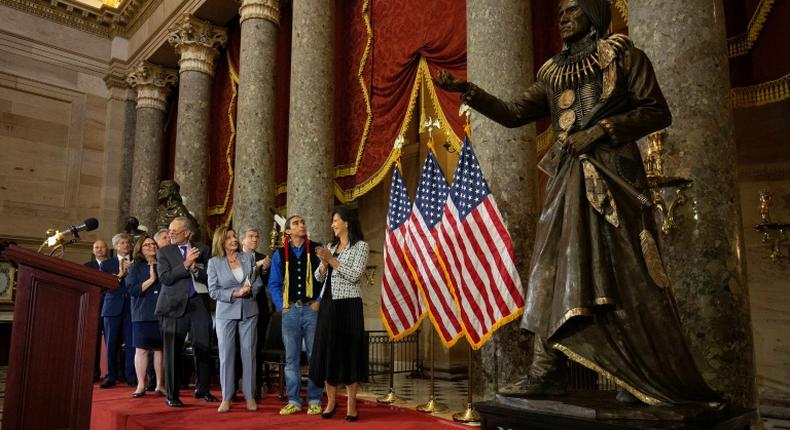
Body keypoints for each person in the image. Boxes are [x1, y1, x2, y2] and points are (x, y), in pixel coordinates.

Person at [435, 0, 720, 406]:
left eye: (572, 10)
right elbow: (515, 113)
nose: (563, 17)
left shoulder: (624, 57)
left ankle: (632, 374)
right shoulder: (553, 73)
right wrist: (467, 90)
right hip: (566, 180)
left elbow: (656, 111)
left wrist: (603, 129)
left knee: (622, 271)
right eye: (560, 12)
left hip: (615, 177)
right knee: (550, 268)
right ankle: (545, 370)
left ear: (593, 15)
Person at [310, 208, 369, 421]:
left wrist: (332, 260)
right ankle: (331, 401)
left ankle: (351, 403)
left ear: (347, 222)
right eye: (333, 221)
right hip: (328, 304)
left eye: (335, 220)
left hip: (349, 305)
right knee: (328, 352)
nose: (332, 224)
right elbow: (318, 277)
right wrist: (324, 264)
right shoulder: (330, 246)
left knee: (349, 352)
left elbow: (354, 275)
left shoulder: (361, 246)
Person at [155, 216, 218, 407]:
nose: (171, 234)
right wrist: (185, 265)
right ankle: (172, 396)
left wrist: (197, 270)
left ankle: (203, 389)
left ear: (187, 233)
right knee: (173, 351)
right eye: (170, 230)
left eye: (175, 231)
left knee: (204, 347)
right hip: (173, 306)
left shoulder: (202, 249)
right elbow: (165, 278)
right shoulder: (164, 252)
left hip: (198, 304)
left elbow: (211, 275)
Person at [267, 215, 324, 415]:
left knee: (314, 356)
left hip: (312, 309)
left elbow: (327, 279)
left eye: (303, 222)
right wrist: (281, 305)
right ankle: (294, 400)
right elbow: (273, 283)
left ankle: (315, 399)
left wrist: (318, 301)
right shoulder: (280, 254)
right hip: (290, 311)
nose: (302, 225)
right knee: (291, 359)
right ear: (288, 231)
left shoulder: (317, 249)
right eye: (297, 223)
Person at [208, 226, 263, 413]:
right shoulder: (214, 263)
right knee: (227, 355)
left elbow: (257, 282)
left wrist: (250, 292)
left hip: (249, 311)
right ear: (221, 242)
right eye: (229, 238)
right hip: (226, 313)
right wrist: (235, 293)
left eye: (234, 237)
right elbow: (213, 291)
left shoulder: (248, 257)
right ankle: (226, 397)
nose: (234, 240)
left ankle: (250, 396)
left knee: (248, 353)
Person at [126, 235, 166, 398]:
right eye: (147, 245)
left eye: (153, 244)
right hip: (142, 312)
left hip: (162, 312)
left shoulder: (164, 264)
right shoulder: (135, 267)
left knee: (159, 350)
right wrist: (151, 280)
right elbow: (133, 290)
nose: (151, 246)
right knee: (141, 350)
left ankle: (160, 384)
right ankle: (141, 385)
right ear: (140, 249)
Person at [239, 226, 272, 399]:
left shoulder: (263, 258)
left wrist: (265, 269)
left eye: (256, 236)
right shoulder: (235, 257)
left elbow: (268, 282)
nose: (254, 239)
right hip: (239, 307)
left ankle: (256, 387)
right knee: (240, 348)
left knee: (256, 348)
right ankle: (238, 384)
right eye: (250, 236)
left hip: (259, 308)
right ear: (242, 240)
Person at [99, 233, 136, 389]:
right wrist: (120, 276)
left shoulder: (137, 262)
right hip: (112, 308)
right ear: (115, 246)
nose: (125, 245)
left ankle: (131, 377)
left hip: (132, 309)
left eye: (127, 243)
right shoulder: (106, 265)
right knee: (111, 344)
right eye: (122, 243)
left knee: (132, 345)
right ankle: (111, 376)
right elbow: (104, 286)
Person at [85, 240, 109, 382]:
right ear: (93, 250)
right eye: (96, 247)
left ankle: (115, 373)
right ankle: (93, 373)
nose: (99, 250)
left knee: (112, 341)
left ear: (107, 249)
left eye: (102, 247)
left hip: (111, 307)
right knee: (93, 342)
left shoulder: (114, 264)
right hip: (93, 308)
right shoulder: (87, 267)